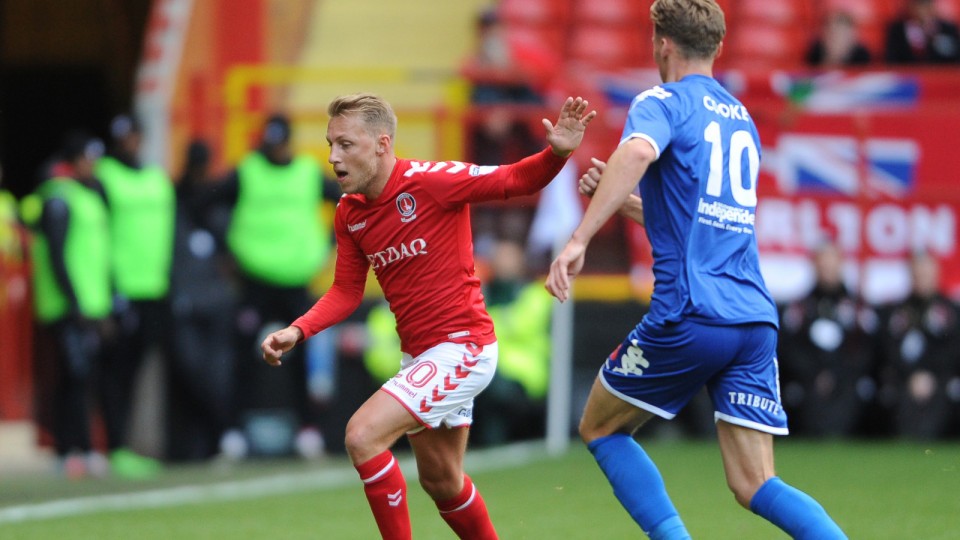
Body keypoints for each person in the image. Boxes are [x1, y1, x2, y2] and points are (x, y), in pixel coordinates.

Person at [545, 1, 847, 538]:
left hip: (692, 311)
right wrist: (622, 203)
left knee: (601, 428)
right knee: (755, 483)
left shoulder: (661, 101)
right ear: (718, 46)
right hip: (753, 319)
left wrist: (578, 239)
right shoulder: (741, 117)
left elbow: (637, 153)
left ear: (662, 43)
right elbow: (698, 219)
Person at [260, 92, 594, 539]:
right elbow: (345, 292)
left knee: (362, 436)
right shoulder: (349, 213)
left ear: (382, 144)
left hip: (463, 348)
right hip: (420, 357)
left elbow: (514, 179)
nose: (333, 157)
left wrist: (557, 153)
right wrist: (298, 330)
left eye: (345, 144)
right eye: (330, 144)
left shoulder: (432, 181)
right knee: (442, 482)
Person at [206, 113, 340, 458]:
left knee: (302, 355)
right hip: (255, 281)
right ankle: (233, 431)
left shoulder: (308, 172)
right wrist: (225, 251)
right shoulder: (247, 171)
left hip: (296, 279)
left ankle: (308, 429)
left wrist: (328, 243)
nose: (274, 149)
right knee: (244, 355)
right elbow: (208, 202)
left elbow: (346, 201)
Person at [26, 133, 112, 478]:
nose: (94, 166)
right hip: (67, 306)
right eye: (89, 159)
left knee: (79, 377)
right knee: (75, 377)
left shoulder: (89, 195)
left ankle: (72, 449)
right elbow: (58, 256)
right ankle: (75, 450)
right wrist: (74, 300)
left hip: (90, 303)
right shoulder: (60, 198)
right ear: (75, 161)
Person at [95, 114, 174, 478]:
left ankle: (130, 445)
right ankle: (114, 446)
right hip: (120, 289)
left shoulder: (156, 179)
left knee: (139, 372)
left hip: (153, 290)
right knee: (115, 372)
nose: (128, 143)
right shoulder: (104, 177)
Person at [165, 140, 240, 461]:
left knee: (218, 371)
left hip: (216, 300)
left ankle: (221, 436)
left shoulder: (217, 199)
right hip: (185, 298)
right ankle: (205, 439)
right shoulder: (174, 198)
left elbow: (231, 248)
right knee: (191, 370)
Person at [777, 241, 879, 437]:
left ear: (841, 264)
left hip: (847, 382)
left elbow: (867, 350)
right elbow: (790, 349)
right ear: (814, 265)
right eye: (822, 262)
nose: (827, 268)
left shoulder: (859, 309)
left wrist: (837, 374)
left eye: (832, 262)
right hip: (809, 382)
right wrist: (815, 373)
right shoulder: (799, 309)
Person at [877, 251, 960, 439]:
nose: (922, 278)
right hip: (905, 379)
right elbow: (889, 350)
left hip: (940, 379)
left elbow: (953, 351)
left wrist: (929, 375)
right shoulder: (896, 312)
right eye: (918, 274)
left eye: (926, 274)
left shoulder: (952, 312)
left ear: (936, 274)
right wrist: (912, 375)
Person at [884, 0, 960, 64]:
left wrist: (935, 40)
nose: (924, 11)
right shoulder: (897, 30)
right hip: (908, 74)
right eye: (920, 6)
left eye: (927, 6)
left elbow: (955, 56)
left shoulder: (947, 29)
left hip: (942, 74)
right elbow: (892, 59)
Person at [805, 10, 873, 67]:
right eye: (833, 33)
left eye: (842, 33)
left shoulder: (862, 54)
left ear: (853, 35)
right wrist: (830, 57)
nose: (837, 37)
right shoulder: (816, 51)